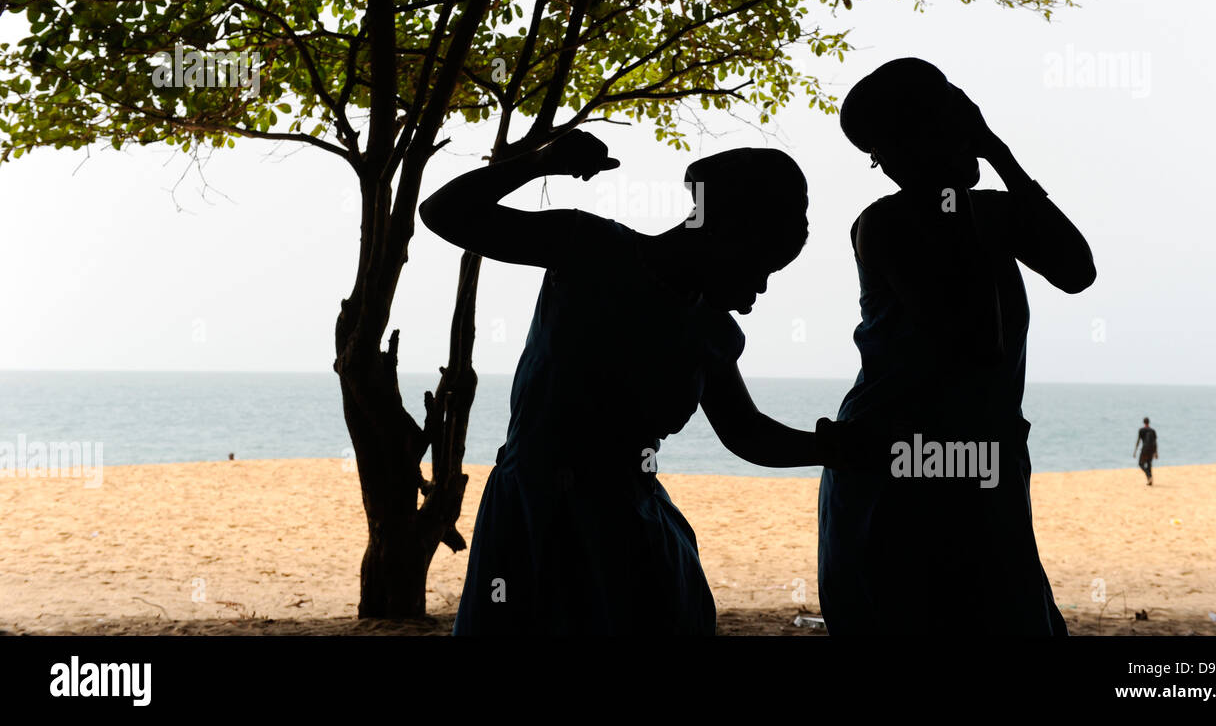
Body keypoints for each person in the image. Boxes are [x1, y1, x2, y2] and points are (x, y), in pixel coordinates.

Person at [420, 130, 852, 635]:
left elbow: (747, 433)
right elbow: (444, 212)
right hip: (533, 520)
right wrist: (540, 163)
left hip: (629, 533)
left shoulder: (710, 329)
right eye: (759, 267)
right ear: (722, 233)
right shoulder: (589, 249)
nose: (756, 294)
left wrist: (835, 448)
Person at [818, 57, 1097, 636]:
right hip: (902, 467)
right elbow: (976, 340)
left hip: (979, 461)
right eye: (955, 118)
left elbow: (1077, 270)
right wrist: (968, 176)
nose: (970, 126)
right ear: (919, 139)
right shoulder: (888, 223)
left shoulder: (986, 211)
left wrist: (998, 153)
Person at [1134, 418, 1158, 485]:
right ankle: (1150, 480)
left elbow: (1138, 441)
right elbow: (1155, 442)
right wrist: (1156, 452)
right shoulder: (1153, 431)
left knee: (1140, 464)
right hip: (1151, 450)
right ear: (1149, 422)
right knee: (1149, 464)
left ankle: (1149, 476)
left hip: (1144, 449)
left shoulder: (1141, 430)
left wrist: (1135, 451)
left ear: (1143, 422)